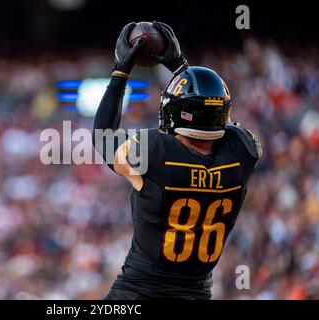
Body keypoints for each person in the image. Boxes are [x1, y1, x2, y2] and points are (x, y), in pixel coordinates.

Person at [92, 21, 262, 299]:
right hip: (196, 294)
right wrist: (183, 69)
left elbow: (103, 136)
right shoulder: (243, 152)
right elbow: (219, 117)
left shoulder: (155, 152)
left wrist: (120, 71)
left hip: (140, 291)